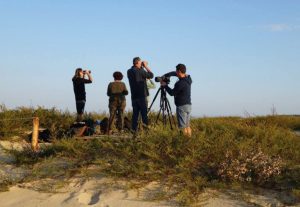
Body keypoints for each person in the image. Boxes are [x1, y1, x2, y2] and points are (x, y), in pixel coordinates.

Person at [161, 64, 192, 137]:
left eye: (176, 71)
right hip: (188, 105)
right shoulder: (188, 79)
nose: (175, 73)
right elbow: (179, 73)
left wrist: (165, 85)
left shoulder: (180, 83)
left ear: (178, 71)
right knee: (187, 126)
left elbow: (172, 93)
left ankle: (183, 142)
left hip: (181, 106)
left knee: (182, 127)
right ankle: (189, 141)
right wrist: (168, 74)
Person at [127, 57, 154, 132]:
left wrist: (141, 66)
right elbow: (151, 75)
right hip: (142, 95)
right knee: (144, 115)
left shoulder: (129, 71)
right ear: (137, 63)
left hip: (134, 96)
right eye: (140, 62)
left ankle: (134, 131)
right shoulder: (140, 71)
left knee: (135, 115)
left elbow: (137, 73)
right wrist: (145, 66)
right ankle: (146, 131)